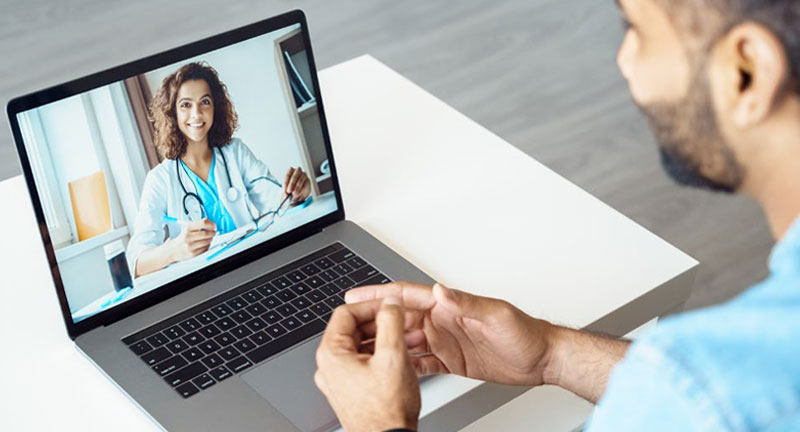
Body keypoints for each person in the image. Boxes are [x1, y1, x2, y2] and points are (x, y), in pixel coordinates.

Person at [314, 0, 800, 430]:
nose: (625, 59)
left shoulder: (696, 398)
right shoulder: (711, 381)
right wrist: (552, 354)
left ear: (747, 70)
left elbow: (700, 401)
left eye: (639, 31)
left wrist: (381, 424)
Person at [127, 62, 311, 277]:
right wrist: (175, 249)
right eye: (185, 105)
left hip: (254, 266)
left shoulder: (235, 152)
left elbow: (278, 202)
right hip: (204, 283)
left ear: (216, 107)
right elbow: (136, 262)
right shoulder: (160, 179)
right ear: (172, 113)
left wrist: (297, 194)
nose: (196, 114)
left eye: (204, 102)